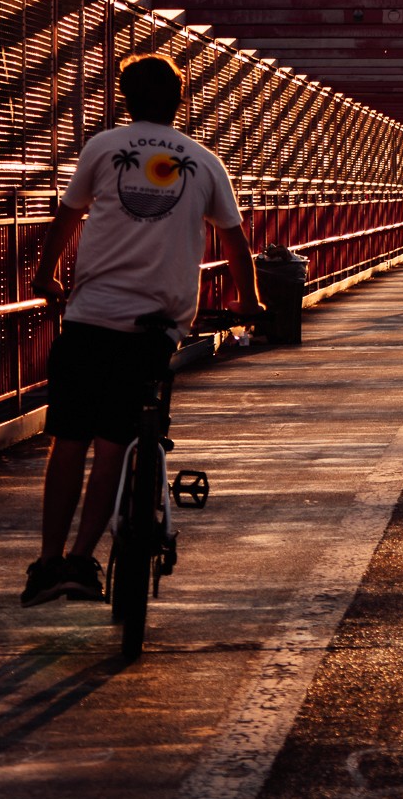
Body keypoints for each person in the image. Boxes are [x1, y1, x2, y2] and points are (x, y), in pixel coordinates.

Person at [22, 54, 262, 608]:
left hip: (89, 317)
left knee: (68, 442)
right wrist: (250, 302)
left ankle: (47, 563)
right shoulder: (204, 162)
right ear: (179, 101)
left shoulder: (104, 147)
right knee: (115, 447)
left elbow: (66, 217)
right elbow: (235, 244)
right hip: (154, 330)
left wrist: (44, 274)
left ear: (124, 98)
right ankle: (83, 563)